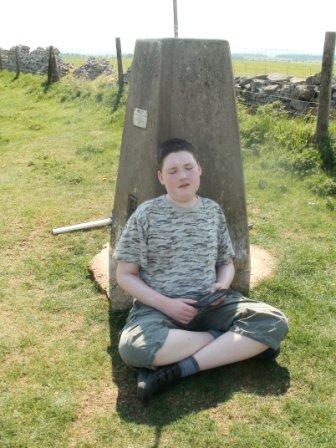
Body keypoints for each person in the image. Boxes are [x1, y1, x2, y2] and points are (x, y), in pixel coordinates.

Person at [113, 138, 288, 401]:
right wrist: (167, 305)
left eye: (188, 167)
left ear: (199, 169)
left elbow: (225, 263)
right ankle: (227, 342)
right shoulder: (146, 215)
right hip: (159, 309)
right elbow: (124, 274)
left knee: (274, 321)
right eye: (172, 171)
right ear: (161, 177)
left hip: (212, 304)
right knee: (132, 348)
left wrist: (223, 284)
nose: (182, 175)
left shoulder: (212, 211)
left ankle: (179, 369)